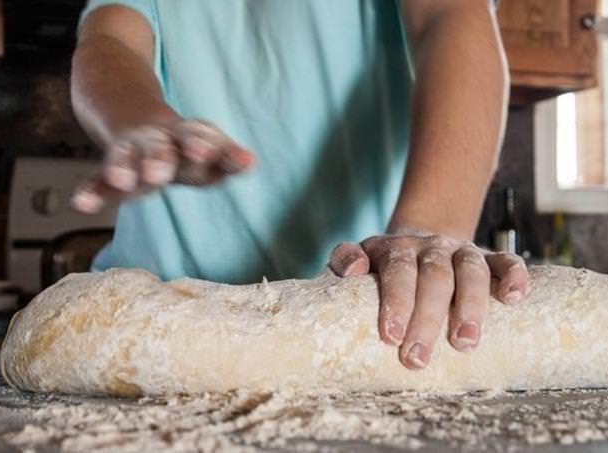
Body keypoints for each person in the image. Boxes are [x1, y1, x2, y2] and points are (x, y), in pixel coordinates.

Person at [71, 0, 529, 370]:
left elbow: (450, 16)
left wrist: (428, 231)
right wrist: (144, 122)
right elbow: (110, 38)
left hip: (362, 312)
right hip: (149, 320)